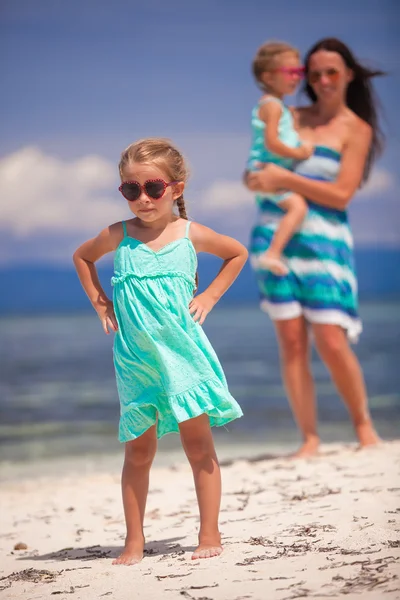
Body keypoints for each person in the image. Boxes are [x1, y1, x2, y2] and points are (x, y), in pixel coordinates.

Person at [73, 138, 247, 564]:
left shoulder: (192, 234)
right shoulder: (119, 236)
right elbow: (82, 257)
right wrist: (102, 303)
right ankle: (133, 540)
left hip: (184, 356)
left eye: (153, 188)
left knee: (198, 446)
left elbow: (238, 253)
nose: (143, 199)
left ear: (177, 188)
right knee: (138, 451)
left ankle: (209, 532)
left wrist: (208, 297)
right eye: (131, 190)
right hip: (136, 361)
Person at [246, 38, 383, 458]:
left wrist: (285, 180)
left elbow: (341, 194)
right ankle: (309, 438)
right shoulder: (289, 116)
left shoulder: (356, 129)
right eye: (314, 73)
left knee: (331, 339)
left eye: (332, 72)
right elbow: (257, 169)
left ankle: (364, 427)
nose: (322, 80)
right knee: (290, 341)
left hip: (326, 244)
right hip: (275, 238)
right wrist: (256, 179)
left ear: (348, 75)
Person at [247, 41, 314, 276]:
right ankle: (273, 253)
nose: (297, 77)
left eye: (300, 71)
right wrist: (300, 152)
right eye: (290, 72)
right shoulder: (273, 106)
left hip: (266, 170)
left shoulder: (278, 106)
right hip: (267, 170)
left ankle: (275, 252)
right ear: (268, 77)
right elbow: (272, 142)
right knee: (298, 208)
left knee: (293, 208)